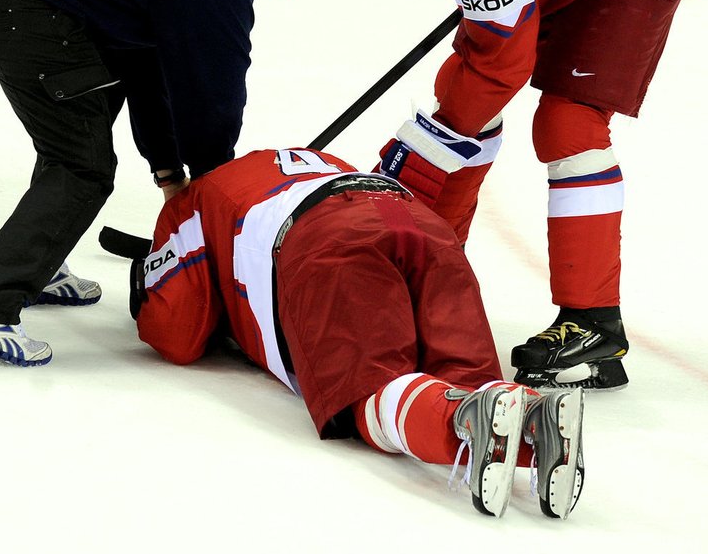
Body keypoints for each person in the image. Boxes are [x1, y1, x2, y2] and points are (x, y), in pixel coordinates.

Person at [333, 0, 704, 390]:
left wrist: (435, 146)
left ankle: (593, 325)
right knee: (470, 80)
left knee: (567, 124)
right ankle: (430, 262)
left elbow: (502, 68)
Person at [0, 0, 304, 366]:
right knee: (82, 162)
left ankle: (37, 265)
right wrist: (213, 181)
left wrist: (172, 175)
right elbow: (213, 87)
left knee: (82, 116)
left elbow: (146, 69)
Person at [130, 147, 586, 519]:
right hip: (418, 221)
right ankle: (538, 423)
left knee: (371, 390)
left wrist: (146, 283)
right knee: (472, 377)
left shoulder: (195, 198)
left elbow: (179, 331)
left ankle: (460, 419)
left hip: (327, 241)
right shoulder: (298, 159)